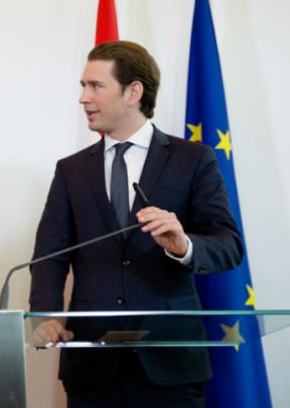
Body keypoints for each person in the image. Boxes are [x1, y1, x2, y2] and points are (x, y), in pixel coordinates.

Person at [29, 41, 243, 408]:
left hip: (170, 365)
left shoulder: (193, 159)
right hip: (92, 366)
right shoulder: (71, 170)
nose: (83, 97)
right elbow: (50, 255)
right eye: (83, 86)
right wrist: (45, 315)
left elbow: (229, 246)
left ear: (133, 92)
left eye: (95, 86)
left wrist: (185, 246)